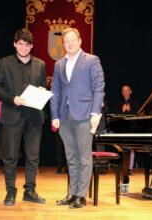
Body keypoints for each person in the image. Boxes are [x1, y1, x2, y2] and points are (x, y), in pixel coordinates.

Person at [51, 28, 105, 209]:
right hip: (64, 117)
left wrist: (95, 112)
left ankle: (81, 195)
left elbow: (99, 87)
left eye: (73, 40)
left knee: (84, 157)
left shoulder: (91, 60)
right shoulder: (59, 64)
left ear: (80, 41)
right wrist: (54, 115)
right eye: (66, 41)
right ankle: (71, 193)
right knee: (71, 157)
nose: (70, 43)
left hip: (84, 114)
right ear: (63, 44)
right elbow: (55, 92)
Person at [0, 28, 46, 206]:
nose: (23, 47)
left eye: (27, 44)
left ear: (31, 46)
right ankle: (10, 192)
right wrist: (12, 98)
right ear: (15, 44)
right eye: (20, 44)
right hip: (11, 116)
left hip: (34, 117)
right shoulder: (4, 63)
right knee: (10, 157)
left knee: (33, 157)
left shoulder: (40, 64)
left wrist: (42, 91)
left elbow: (43, 87)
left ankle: (29, 191)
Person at [114, 84, 138, 174]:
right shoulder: (117, 104)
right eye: (123, 91)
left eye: (127, 90)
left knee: (131, 148)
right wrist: (122, 111)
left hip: (132, 128)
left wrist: (130, 110)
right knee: (121, 148)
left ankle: (130, 168)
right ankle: (123, 167)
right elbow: (114, 116)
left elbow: (138, 115)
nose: (125, 92)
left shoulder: (135, 103)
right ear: (121, 92)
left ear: (130, 92)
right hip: (121, 129)